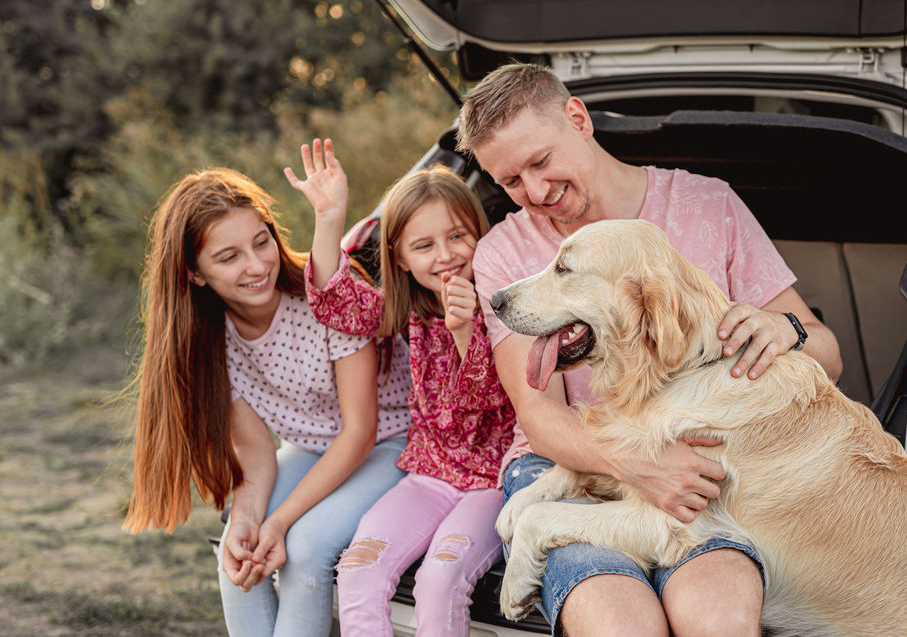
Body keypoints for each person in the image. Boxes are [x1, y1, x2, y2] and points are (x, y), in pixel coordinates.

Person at [461, 63, 844, 637]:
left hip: (700, 461)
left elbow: (828, 357)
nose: (535, 193)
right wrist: (637, 463)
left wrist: (786, 329)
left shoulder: (707, 206)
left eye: (540, 162)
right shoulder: (503, 253)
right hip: (572, 466)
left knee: (717, 621)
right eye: (510, 182)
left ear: (578, 118)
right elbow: (541, 416)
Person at [123, 168, 412, 637]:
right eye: (229, 257)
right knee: (237, 550)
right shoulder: (207, 339)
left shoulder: (325, 298)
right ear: (194, 273)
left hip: (392, 442)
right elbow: (255, 452)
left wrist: (278, 522)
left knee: (305, 546)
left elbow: (359, 432)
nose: (256, 265)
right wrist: (248, 519)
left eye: (262, 242)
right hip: (316, 447)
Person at [285, 139, 515, 637]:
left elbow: (479, 409)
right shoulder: (408, 308)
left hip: (494, 483)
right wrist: (329, 218)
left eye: (459, 236)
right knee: (360, 568)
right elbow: (336, 305)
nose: (447, 256)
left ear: (482, 235)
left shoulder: (506, 307)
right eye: (425, 245)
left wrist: (464, 331)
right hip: (429, 474)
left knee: (439, 579)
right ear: (402, 258)